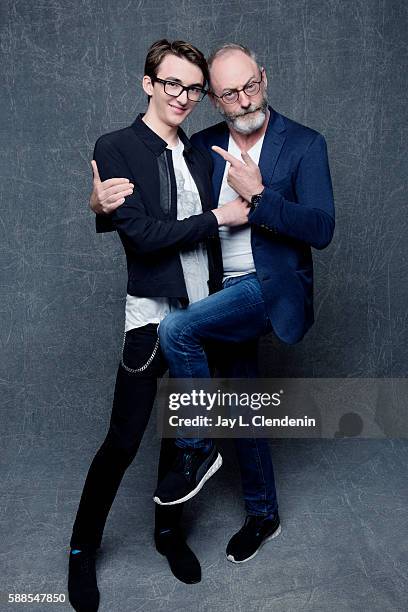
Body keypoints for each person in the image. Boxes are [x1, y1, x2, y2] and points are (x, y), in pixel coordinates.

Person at [91, 43, 335, 566]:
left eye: (251, 85)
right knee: (244, 404)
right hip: (219, 292)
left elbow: (322, 228)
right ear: (215, 102)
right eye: (229, 94)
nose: (245, 99)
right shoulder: (200, 146)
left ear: (263, 77)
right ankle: (263, 514)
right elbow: (155, 214)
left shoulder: (305, 144)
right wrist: (100, 206)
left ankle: (197, 447)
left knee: (177, 329)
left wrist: (262, 197)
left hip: (269, 288)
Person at [68, 39, 248, 612]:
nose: (183, 97)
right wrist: (212, 217)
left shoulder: (199, 152)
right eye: (172, 83)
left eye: (193, 89)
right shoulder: (116, 148)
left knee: (181, 437)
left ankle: (168, 534)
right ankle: (80, 551)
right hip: (151, 318)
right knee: (124, 440)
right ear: (148, 83)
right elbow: (142, 235)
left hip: (201, 316)